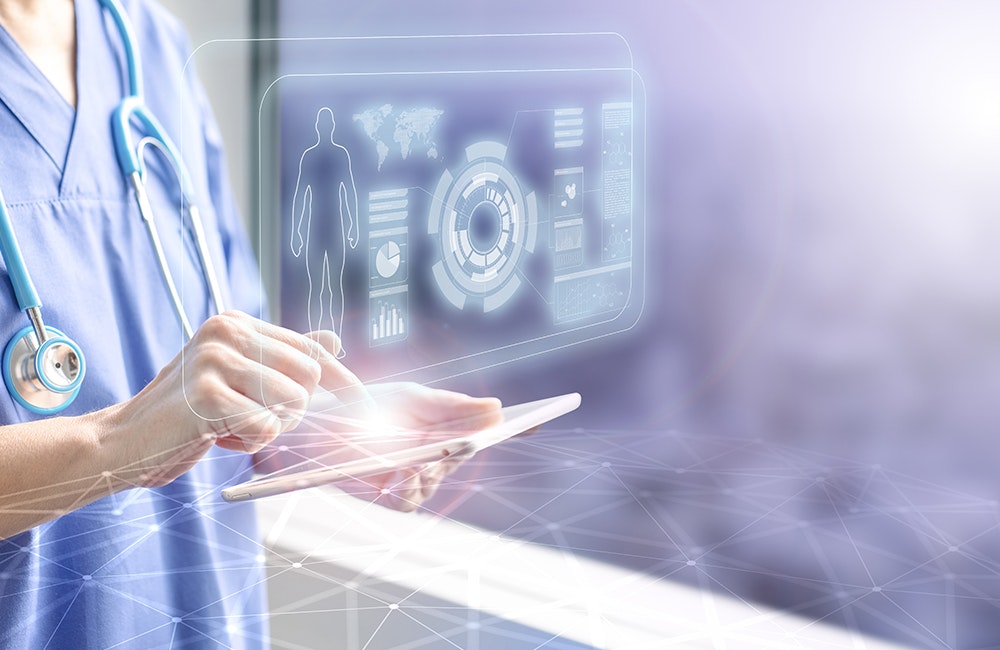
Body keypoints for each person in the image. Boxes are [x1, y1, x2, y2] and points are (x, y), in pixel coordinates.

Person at [0, 0, 500, 648]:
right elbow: (145, 423)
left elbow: (218, 374)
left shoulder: (146, 44)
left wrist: (316, 428)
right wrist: (117, 443)